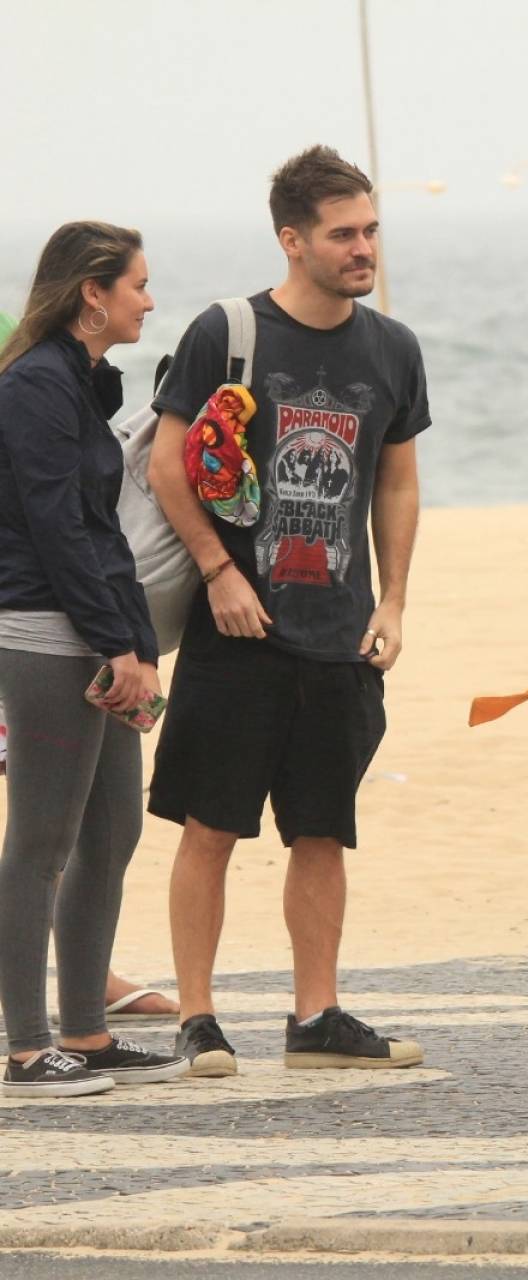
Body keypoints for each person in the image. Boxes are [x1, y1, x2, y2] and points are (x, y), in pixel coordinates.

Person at [147, 145, 429, 1075]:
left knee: (323, 828)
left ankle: (318, 1015)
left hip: (340, 634)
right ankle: (198, 1017)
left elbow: (395, 480)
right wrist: (219, 573)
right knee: (213, 825)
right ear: (292, 239)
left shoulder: (392, 348)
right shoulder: (228, 332)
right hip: (242, 631)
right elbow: (166, 465)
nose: (363, 249)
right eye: (343, 234)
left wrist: (393, 598)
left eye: (371, 231)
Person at [0, 221, 188, 1097]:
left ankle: (86, 1030)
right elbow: (57, 527)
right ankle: (31, 1049)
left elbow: (108, 530)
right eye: (138, 285)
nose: (148, 300)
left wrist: (139, 645)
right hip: (45, 634)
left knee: (112, 829)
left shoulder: (79, 385)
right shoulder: (35, 385)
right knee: (41, 840)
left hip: (100, 635)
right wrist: (115, 642)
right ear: (92, 295)